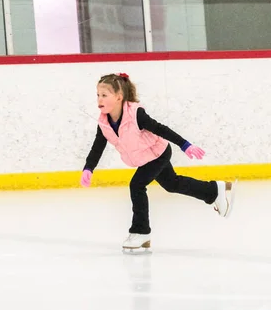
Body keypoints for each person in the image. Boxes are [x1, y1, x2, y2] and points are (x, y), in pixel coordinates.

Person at [80, 72, 235, 250]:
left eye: (104, 95)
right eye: (98, 95)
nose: (99, 99)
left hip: (158, 154)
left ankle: (141, 232)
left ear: (118, 97)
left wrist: (184, 145)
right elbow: (97, 147)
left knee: (136, 185)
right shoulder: (104, 123)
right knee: (172, 184)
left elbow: (160, 129)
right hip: (145, 158)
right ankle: (214, 190)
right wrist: (88, 168)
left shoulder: (135, 114)